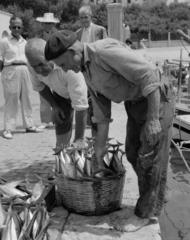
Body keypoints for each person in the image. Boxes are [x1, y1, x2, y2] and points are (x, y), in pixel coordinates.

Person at [44, 30, 175, 232]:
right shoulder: (85, 70)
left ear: (72, 51)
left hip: (155, 100)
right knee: (132, 152)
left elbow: (149, 73)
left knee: (148, 156)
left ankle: (146, 212)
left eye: (63, 64)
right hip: (134, 104)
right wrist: (100, 147)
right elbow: (101, 112)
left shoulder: (104, 52)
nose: (65, 69)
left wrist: (153, 119)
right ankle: (159, 192)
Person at [25, 38, 88, 147]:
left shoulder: (69, 68)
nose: (38, 70)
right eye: (34, 66)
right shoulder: (32, 65)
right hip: (61, 93)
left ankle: (96, 156)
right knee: (60, 119)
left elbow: (81, 106)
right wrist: (54, 106)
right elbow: (40, 86)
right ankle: (63, 154)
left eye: (41, 64)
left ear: (49, 56)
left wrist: (79, 139)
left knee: (95, 125)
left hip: (87, 92)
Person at [0, 16, 43, 140]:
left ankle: (29, 125)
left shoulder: (25, 42)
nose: (16, 29)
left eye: (19, 27)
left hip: (25, 69)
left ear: (22, 27)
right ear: (9, 27)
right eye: (14, 27)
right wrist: (6, 71)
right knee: (11, 99)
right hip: (11, 69)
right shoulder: (4, 42)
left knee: (26, 98)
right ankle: (8, 128)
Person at [76, 5, 108, 137]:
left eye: (86, 17)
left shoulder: (100, 30)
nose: (84, 20)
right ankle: (89, 119)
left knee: (98, 93)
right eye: (81, 18)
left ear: (91, 17)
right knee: (85, 93)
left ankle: (99, 117)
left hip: (97, 67)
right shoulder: (78, 33)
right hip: (83, 68)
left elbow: (106, 47)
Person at [36, 13, 60, 129]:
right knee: (44, 92)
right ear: (42, 24)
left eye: (50, 23)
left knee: (59, 91)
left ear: (53, 24)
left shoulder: (58, 36)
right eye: (46, 23)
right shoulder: (38, 37)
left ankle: (60, 117)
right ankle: (46, 120)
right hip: (43, 67)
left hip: (56, 66)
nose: (47, 25)